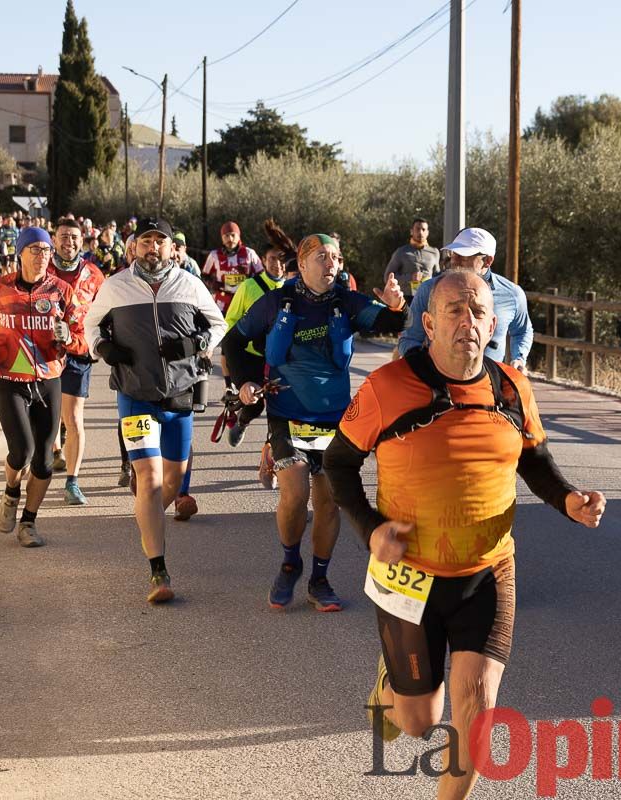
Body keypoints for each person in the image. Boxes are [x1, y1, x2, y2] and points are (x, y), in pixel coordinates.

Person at [324, 269, 607, 800]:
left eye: (477, 311)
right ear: (428, 324)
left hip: (489, 570)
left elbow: (535, 459)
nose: (467, 322)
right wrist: (371, 529)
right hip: (409, 575)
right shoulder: (387, 388)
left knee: (476, 710)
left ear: (493, 322)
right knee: (416, 721)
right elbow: (339, 465)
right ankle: (393, 682)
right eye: (454, 310)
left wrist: (568, 498)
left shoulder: (511, 387)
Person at [221, 234, 407, 612]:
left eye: (336, 257)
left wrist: (395, 305)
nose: (331, 264)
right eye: (322, 257)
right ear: (302, 265)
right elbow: (233, 344)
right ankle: (291, 562)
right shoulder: (275, 302)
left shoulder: (346, 301)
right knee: (294, 495)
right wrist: (245, 383)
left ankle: (320, 578)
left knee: (329, 502)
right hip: (288, 413)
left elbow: (389, 321)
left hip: (336, 418)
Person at [84, 217, 226, 603]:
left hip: (179, 394)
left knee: (173, 482)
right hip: (135, 394)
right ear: (133, 247)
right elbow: (90, 325)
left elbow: (219, 324)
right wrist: (103, 349)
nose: (153, 248)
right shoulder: (115, 286)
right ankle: (158, 571)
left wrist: (195, 343)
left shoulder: (189, 284)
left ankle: (147, 514)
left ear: (170, 248)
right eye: (145, 241)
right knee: (147, 479)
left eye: (159, 242)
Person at [0, 227, 86, 547]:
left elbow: (81, 337)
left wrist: (68, 338)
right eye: (34, 249)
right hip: (9, 380)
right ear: (20, 253)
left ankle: (29, 522)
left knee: (44, 461)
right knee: (21, 452)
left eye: (46, 251)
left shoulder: (62, 291)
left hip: (47, 380)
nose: (41, 256)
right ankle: (10, 493)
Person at [399, 227, 533, 372]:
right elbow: (409, 339)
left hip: (488, 387)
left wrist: (519, 358)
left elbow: (523, 330)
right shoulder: (429, 290)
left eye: (464, 256)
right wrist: (421, 369)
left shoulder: (512, 294)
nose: (455, 261)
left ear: (487, 261)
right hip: (438, 383)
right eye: (453, 253)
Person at [46, 217, 106, 506]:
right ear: (54, 240)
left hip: (78, 352)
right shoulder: (42, 269)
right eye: (63, 237)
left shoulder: (94, 275)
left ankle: (72, 482)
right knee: (48, 414)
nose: (68, 242)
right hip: (43, 353)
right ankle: (51, 452)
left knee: (74, 418)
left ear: (82, 241)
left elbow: (106, 314)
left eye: (73, 237)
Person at [223, 219, 294, 448]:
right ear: (263, 260)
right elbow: (231, 321)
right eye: (272, 259)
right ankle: (242, 422)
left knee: (280, 409)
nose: (278, 265)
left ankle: (274, 454)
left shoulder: (293, 288)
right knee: (255, 405)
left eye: (282, 259)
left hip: (281, 359)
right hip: (252, 356)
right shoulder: (248, 287)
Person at [202, 221, 263, 314]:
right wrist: (213, 285)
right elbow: (204, 275)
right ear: (222, 238)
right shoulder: (214, 255)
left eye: (233, 235)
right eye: (226, 236)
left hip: (245, 299)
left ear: (239, 236)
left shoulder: (249, 253)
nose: (230, 239)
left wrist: (253, 286)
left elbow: (261, 274)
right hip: (222, 302)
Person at [384, 218, 440, 302]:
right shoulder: (401, 252)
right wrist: (410, 277)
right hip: (405, 299)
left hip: (428, 298)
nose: (420, 232)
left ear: (427, 233)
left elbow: (437, 276)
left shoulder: (435, 252)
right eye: (417, 229)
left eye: (423, 229)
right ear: (411, 231)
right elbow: (387, 278)